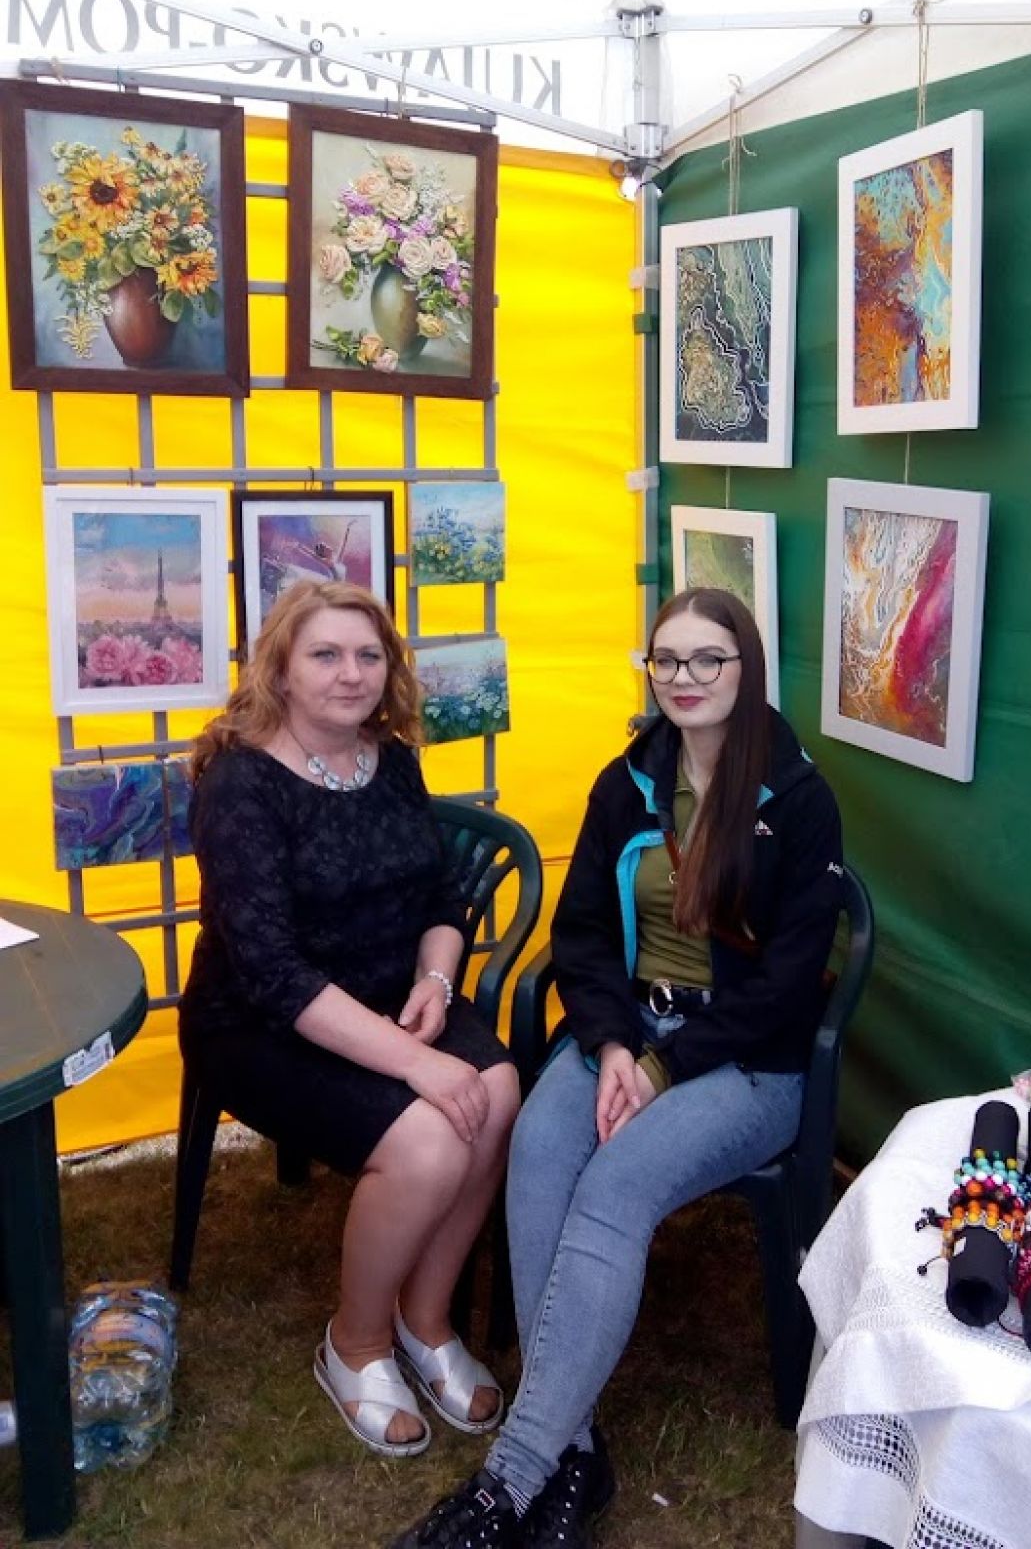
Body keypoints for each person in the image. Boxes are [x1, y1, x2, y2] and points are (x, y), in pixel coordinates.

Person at [391, 588, 843, 1548]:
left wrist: (662, 1067)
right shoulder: (627, 780)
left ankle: (508, 1481)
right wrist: (608, 1047)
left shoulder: (799, 800)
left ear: (746, 667)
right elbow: (584, 935)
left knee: (615, 1187)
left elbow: (790, 985)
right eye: (665, 659)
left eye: (708, 658)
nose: (684, 678)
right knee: (539, 1152)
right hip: (624, 1036)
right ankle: (575, 1455)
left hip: (745, 1062)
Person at [178, 580, 519, 1458]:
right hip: (258, 1023)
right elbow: (273, 973)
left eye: (369, 655)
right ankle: (355, 1344)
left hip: (391, 992)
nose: (351, 673)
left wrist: (437, 982)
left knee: (498, 1093)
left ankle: (424, 1320)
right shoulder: (241, 784)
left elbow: (441, 897)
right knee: (429, 1140)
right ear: (281, 670)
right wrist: (414, 1063)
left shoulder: (392, 759)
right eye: (326, 654)